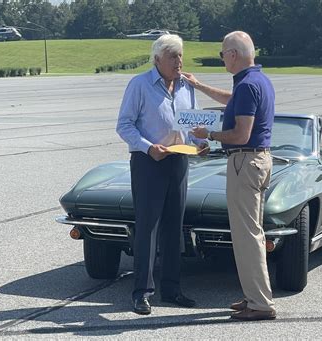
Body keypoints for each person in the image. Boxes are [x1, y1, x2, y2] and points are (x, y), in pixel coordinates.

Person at [184, 31, 276, 321]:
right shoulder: (256, 80)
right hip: (257, 160)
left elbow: (240, 133)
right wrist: (198, 85)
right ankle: (255, 296)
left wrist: (208, 134)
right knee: (253, 234)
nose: (223, 58)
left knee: (246, 236)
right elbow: (232, 100)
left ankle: (260, 304)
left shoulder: (248, 85)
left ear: (233, 54)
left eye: (224, 54)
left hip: (245, 161)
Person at [116, 34, 207, 315]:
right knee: (148, 228)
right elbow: (124, 125)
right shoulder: (140, 85)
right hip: (149, 163)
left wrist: (200, 143)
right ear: (157, 59)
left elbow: (192, 123)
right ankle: (142, 292)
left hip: (179, 161)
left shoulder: (185, 87)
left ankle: (172, 288)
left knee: (173, 227)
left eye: (180, 56)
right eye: (173, 57)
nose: (179, 62)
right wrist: (147, 147)